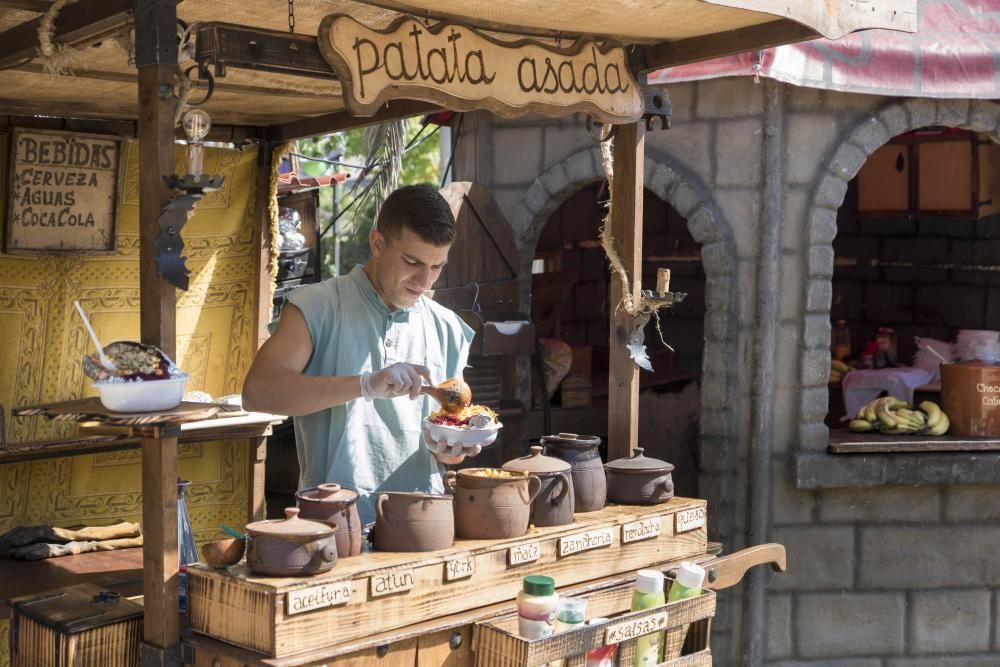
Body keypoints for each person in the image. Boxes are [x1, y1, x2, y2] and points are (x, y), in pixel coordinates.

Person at [242, 184, 487, 524]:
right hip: (333, 524)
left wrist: (454, 447)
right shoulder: (318, 306)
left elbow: (446, 446)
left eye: (436, 267)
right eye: (412, 261)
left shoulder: (448, 327)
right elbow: (257, 393)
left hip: (425, 523)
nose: (423, 280)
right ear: (377, 243)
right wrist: (365, 384)